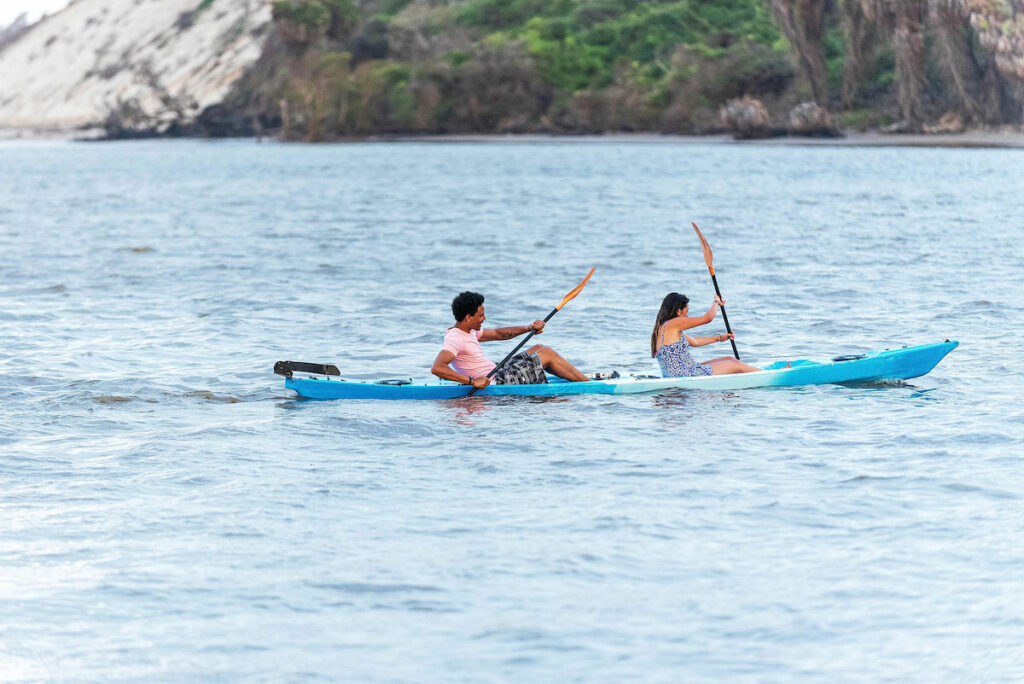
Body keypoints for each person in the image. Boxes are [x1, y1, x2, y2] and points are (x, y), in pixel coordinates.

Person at [432, 291, 589, 390]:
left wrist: (529, 328)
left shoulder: (469, 330)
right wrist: (473, 381)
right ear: (468, 317)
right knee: (547, 354)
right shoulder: (455, 338)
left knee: (539, 348)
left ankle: (575, 380)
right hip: (496, 382)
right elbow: (438, 368)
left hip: (497, 371)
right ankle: (589, 385)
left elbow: (499, 334)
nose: (484, 318)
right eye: (481, 315)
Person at [651, 292, 761, 377]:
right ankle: (764, 374)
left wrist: (719, 338)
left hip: (684, 371)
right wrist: (716, 302)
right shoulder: (673, 323)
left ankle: (751, 374)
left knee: (730, 359)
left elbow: (694, 341)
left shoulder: (665, 328)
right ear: (678, 311)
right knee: (736, 365)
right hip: (686, 374)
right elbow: (707, 318)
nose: (687, 315)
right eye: (686, 311)